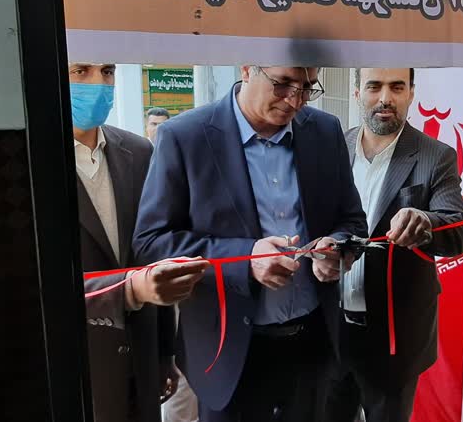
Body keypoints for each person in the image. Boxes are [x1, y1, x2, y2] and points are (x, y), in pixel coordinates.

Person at [132, 66, 367, 422]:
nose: (295, 100)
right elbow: (151, 242)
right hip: (229, 354)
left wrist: (336, 248)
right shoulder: (186, 136)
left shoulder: (324, 130)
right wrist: (245, 259)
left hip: (312, 346)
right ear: (246, 68)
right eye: (282, 84)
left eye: (307, 87)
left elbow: (352, 222)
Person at [324, 68, 463, 422]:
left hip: (394, 339)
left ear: (411, 93)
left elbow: (460, 230)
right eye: (374, 86)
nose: (385, 98)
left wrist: (426, 223)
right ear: (357, 92)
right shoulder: (332, 147)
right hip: (332, 331)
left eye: (396, 87)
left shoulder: (436, 155)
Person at [69, 62, 210, 422]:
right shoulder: (25, 157)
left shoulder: (137, 151)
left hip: (142, 358)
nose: (98, 84)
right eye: (80, 71)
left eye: (107, 71)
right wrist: (129, 289)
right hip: (80, 360)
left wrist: (164, 353)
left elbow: (152, 254)